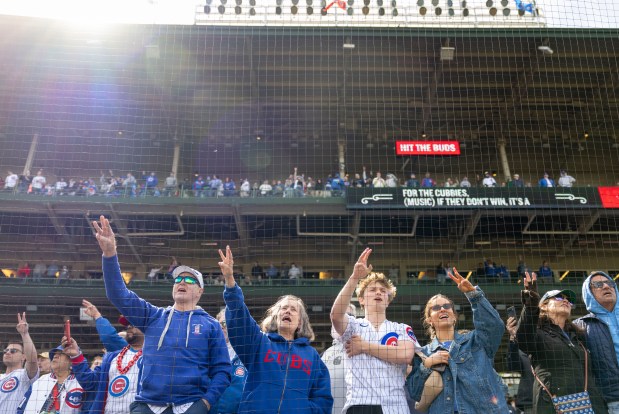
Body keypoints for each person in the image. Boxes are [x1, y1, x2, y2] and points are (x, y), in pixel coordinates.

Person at [92, 215, 231, 414]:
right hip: (147, 406)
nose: (182, 282)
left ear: (200, 291)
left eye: (189, 280)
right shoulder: (154, 316)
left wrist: (205, 403)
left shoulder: (212, 325)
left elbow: (223, 372)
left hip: (190, 407)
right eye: (178, 279)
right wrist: (110, 254)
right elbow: (118, 295)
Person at [219, 246, 333, 413]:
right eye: (283, 308)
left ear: (300, 323)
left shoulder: (312, 356)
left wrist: (303, 410)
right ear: (275, 317)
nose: (287, 311)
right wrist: (230, 281)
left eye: (293, 310)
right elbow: (241, 319)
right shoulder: (259, 343)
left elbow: (322, 398)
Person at [407, 269, 508, 413]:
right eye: (436, 308)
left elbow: (494, 326)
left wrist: (473, 295)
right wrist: (427, 364)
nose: (442, 309)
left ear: (454, 316)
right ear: (429, 320)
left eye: (447, 306)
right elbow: (414, 393)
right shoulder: (423, 354)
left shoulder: (476, 341)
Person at [331, 248, 418, 414]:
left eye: (383, 291)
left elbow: (405, 356)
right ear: (362, 300)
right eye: (372, 290)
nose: (378, 292)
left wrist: (364, 346)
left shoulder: (401, 328)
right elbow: (335, 315)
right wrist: (355, 277)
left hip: (395, 406)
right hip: (359, 403)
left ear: (388, 301)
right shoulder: (353, 325)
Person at [517, 272, 606, 413]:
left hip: (587, 406)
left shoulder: (579, 337)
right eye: (559, 297)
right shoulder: (538, 333)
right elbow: (524, 340)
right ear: (544, 306)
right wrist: (531, 306)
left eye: (569, 300)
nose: (566, 301)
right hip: (552, 406)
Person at [68, 315, 145, 414]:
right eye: (127, 325)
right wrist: (76, 356)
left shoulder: (154, 356)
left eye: (133, 324)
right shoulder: (111, 358)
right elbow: (90, 382)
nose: (129, 327)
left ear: (147, 328)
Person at [574, 272, 619, 412]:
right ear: (588, 292)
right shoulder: (580, 326)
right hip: (612, 400)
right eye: (598, 285)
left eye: (610, 283)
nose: (606, 286)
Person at [18, 343, 85, 413]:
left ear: (72, 361)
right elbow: (21, 408)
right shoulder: (40, 381)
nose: (55, 356)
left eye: (61, 354)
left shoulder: (81, 383)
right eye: (54, 355)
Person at [210, 309, 248, 414]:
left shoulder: (248, 354)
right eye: (219, 323)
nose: (222, 326)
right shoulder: (207, 352)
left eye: (225, 323)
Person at [322, 304, 357, 414]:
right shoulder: (325, 354)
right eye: (340, 315)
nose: (343, 318)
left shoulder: (364, 348)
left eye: (348, 315)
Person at [1, 313, 39, 413]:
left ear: (23, 356)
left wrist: (24, 334)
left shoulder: (25, 375)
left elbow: (32, 360)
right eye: (6, 350)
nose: (8, 352)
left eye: (13, 351)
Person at [505, 316, 533, 413]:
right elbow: (513, 367)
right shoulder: (520, 352)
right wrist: (513, 337)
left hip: (554, 399)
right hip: (530, 403)